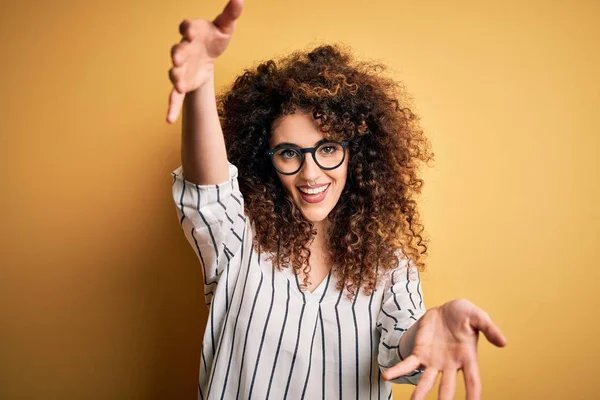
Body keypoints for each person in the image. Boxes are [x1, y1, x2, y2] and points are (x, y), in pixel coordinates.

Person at [166, 1, 507, 399]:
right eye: (290, 153)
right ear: (267, 160)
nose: (310, 174)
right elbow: (209, 193)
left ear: (356, 153)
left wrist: (426, 330)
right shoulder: (239, 241)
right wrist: (201, 82)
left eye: (327, 149)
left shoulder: (389, 268)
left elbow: (402, 348)